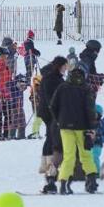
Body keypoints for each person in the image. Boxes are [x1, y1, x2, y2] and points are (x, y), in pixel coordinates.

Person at [50, 67, 99, 194]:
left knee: (69, 156)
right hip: (83, 127)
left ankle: (63, 184)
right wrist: (92, 127)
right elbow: (90, 110)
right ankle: (92, 182)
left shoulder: (62, 87)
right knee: (86, 155)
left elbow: (53, 106)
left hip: (65, 127)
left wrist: (59, 120)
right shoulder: (86, 88)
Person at [37, 56, 67, 193]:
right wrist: (55, 113)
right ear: (59, 66)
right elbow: (50, 98)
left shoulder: (55, 77)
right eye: (65, 66)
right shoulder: (50, 78)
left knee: (50, 136)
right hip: (49, 112)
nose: (66, 69)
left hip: (52, 111)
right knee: (51, 137)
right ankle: (48, 164)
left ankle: (46, 164)